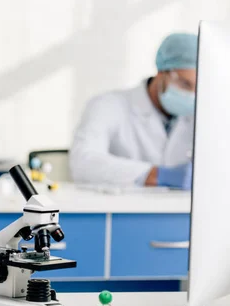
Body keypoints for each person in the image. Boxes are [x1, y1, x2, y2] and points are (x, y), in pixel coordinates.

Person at [69, 33, 197, 189]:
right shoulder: (108, 105)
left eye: (198, 87)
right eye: (184, 84)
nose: (191, 94)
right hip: (119, 209)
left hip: (178, 211)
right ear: (161, 71)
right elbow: (83, 162)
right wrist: (156, 175)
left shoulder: (200, 117)